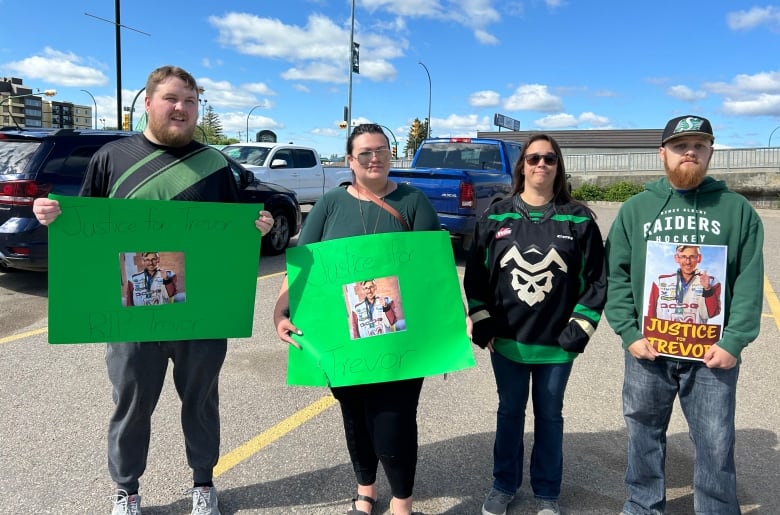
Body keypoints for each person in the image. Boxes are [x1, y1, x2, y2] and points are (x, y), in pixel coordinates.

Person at [32, 65, 275, 515]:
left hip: (199, 315)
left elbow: (230, 238)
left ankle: (203, 483)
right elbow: (87, 233)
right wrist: (52, 217)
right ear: (148, 102)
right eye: (171, 98)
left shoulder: (215, 164)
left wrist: (256, 229)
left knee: (201, 403)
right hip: (130, 314)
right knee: (130, 406)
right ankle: (127, 490)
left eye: (190, 100)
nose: (181, 108)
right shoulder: (112, 157)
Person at [273, 123, 440, 515]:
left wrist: (453, 320)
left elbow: (435, 272)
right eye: (364, 152)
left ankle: (402, 498)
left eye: (381, 150)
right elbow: (302, 266)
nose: (374, 158)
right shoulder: (331, 204)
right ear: (350, 160)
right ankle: (366, 489)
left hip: (399, 338)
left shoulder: (414, 202)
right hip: (342, 339)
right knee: (355, 417)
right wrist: (280, 310)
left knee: (394, 420)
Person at [604, 115, 764, 514]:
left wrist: (734, 340)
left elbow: (748, 279)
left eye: (699, 144)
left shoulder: (736, 210)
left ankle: (716, 509)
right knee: (643, 434)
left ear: (710, 151)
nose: (689, 152)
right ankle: (642, 506)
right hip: (649, 349)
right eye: (680, 145)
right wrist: (628, 332)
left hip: (712, 356)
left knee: (715, 441)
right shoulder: (636, 209)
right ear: (663, 153)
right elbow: (615, 275)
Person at [464, 134, 606, 515]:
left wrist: (578, 331)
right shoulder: (495, 216)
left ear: (558, 166)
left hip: (557, 346)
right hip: (508, 343)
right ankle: (503, 485)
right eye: (533, 159)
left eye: (549, 159)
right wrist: (482, 323)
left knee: (549, 417)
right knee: (509, 414)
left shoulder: (578, 219)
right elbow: (476, 276)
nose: (541, 165)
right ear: (521, 166)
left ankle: (547, 493)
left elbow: (596, 281)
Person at [647, 244, 721, 323]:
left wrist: (707, 289)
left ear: (699, 258)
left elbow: (712, 314)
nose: (688, 262)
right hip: (665, 334)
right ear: (676, 258)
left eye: (692, 256)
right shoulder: (661, 281)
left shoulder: (712, 282)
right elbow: (651, 314)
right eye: (683, 256)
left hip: (695, 334)